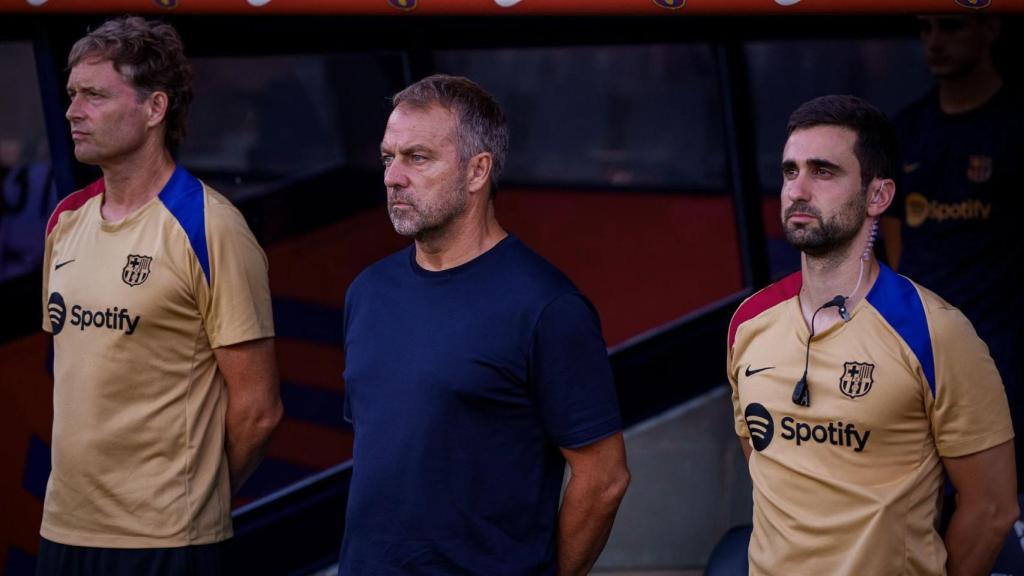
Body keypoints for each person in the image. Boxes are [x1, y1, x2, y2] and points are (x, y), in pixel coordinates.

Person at [340, 74, 630, 575]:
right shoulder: (367, 292)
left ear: (478, 172)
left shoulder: (546, 307)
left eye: (418, 157)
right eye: (389, 158)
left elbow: (603, 479)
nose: (392, 177)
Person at [727, 94, 1017, 575]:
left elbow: (992, 511)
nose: (798, 190)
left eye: (823, 171)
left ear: (878, 196)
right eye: (790, 171)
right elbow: (765, 467)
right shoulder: (748, 322)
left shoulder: (937, 330)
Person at [38, 16, 281, 575]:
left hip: (169, 542)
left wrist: (192, 499)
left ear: (155, 109)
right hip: (62, 529)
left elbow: (259, 410)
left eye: (95, 95)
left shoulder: (211, 226)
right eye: (73, 94)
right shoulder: (64, 221)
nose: (74, 111)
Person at [881, 14, 1024, 488]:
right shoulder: (908, 128)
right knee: (924, 492)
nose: (935, 42)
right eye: (924, 28)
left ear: (991, 29)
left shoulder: (1015, 122)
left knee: (999, 494)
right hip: (923, 346)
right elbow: (895, 236)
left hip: (1005, 342)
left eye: (951, 26)